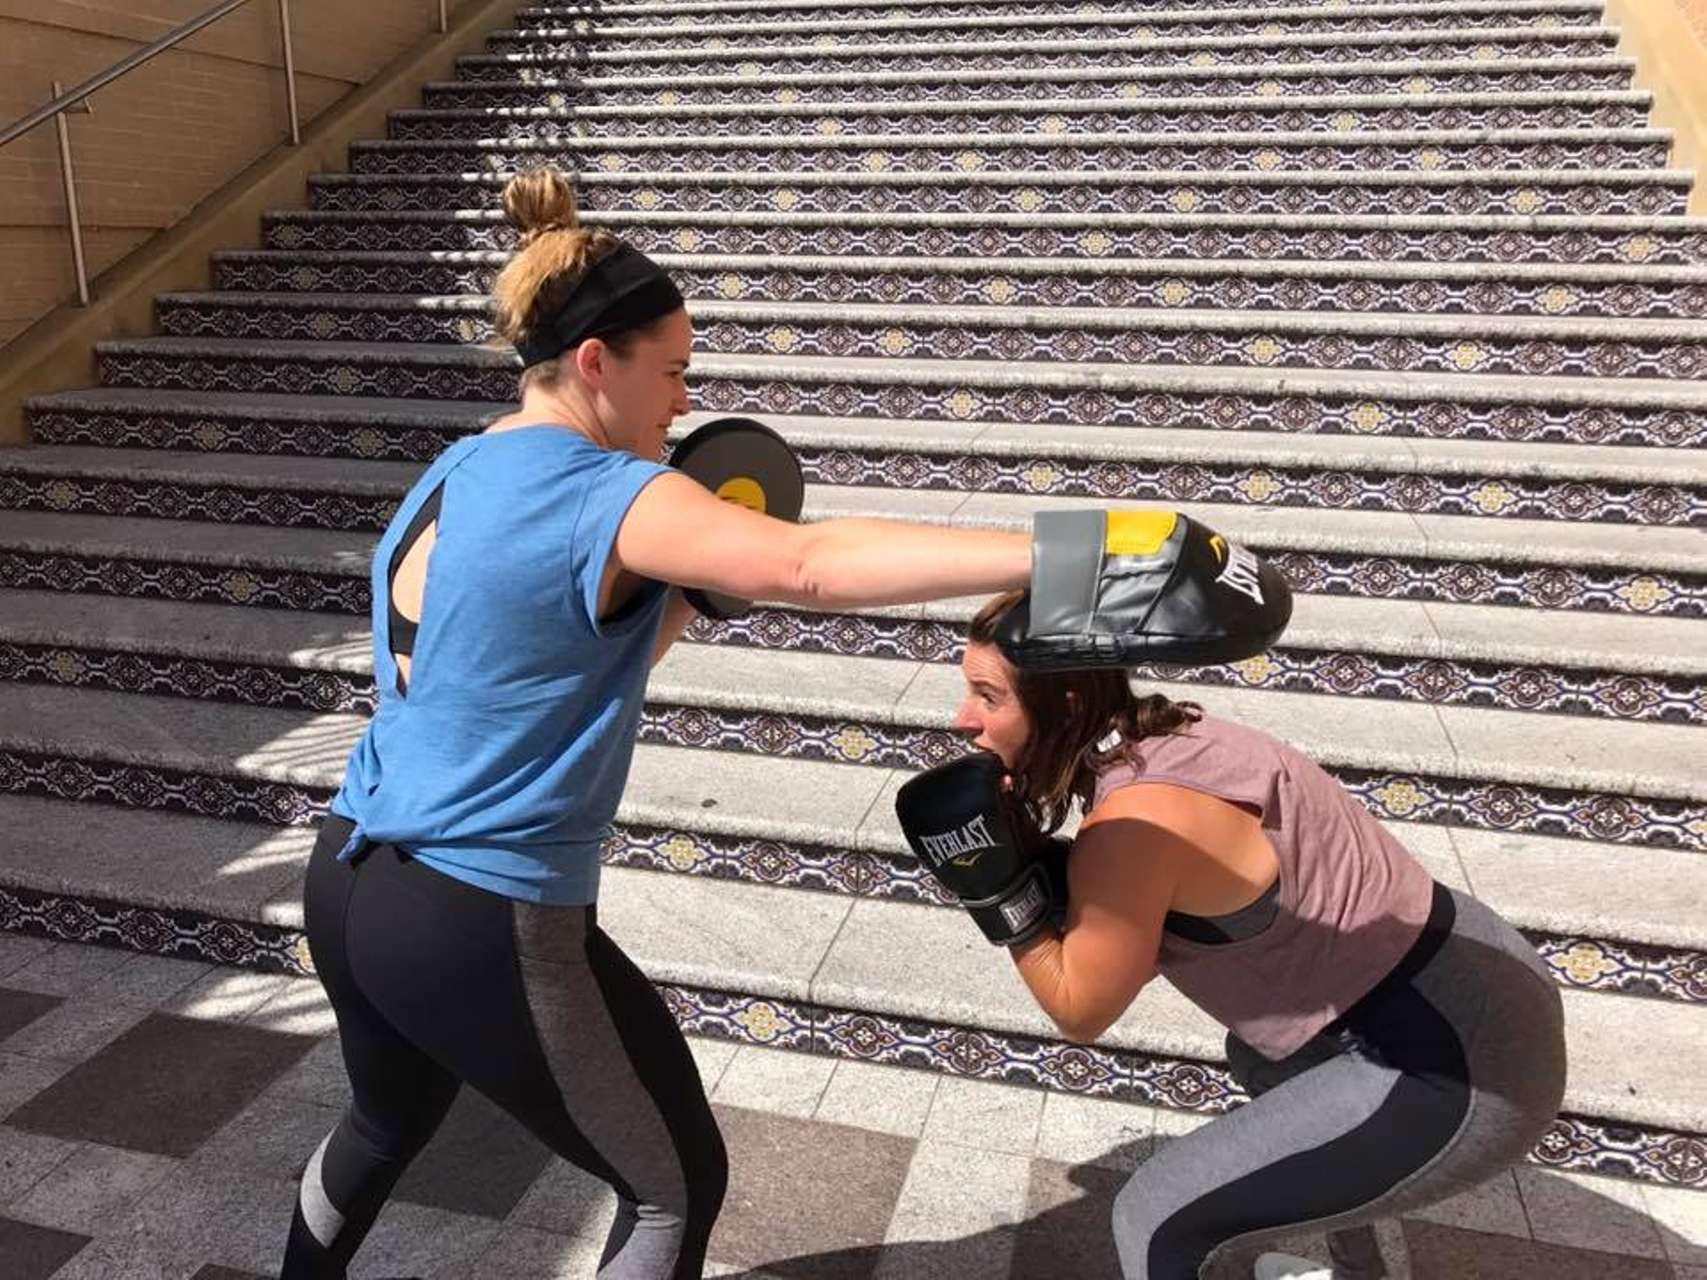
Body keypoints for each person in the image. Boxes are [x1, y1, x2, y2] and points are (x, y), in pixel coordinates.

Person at [277, 165, 1040, 1280]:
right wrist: (1078, 552)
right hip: (475, 909)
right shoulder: (606, 494)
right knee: (669, 1192)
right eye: (674, 372)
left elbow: (534, 651)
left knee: (384, 1122)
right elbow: (808, 563)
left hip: (349, 877)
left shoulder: (459, 465)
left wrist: (672, 596)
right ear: (597, 363)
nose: (683, 402)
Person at [899, 588, 1568, 1280]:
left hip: (1451, 1062)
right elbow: (1149, 900)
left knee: (1155, 1220)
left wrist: (997, 891)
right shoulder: (1169, 738)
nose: (963, 718)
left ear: (1064, 704)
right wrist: (1038, 859)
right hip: (1467, 979)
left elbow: (1080, 1006)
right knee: (1262, 1057)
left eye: (987, 695)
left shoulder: (1131, 828)